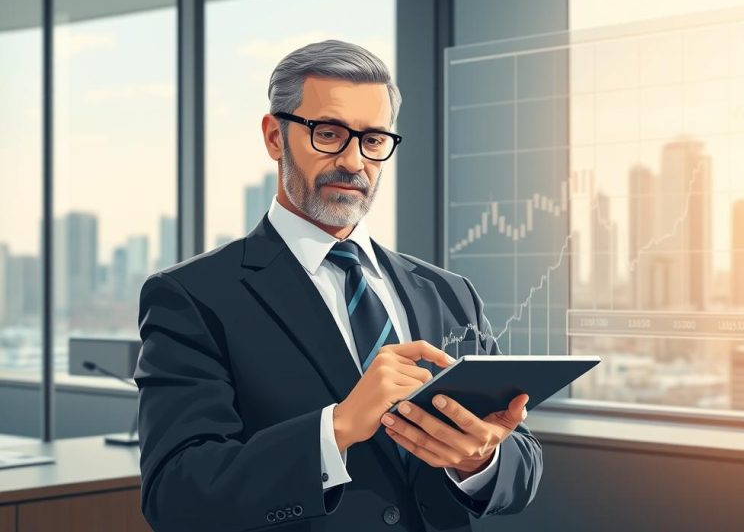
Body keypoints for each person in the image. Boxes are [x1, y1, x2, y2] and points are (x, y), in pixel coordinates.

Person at [134, 39, 542, 531]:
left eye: (373, 140)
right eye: (328, 133)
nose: (353, 162)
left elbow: (522, 463)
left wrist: (478, 461)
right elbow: (176, 495)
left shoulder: (448, 292)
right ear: (274, 136)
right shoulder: (192, 296)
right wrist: (338, 426)